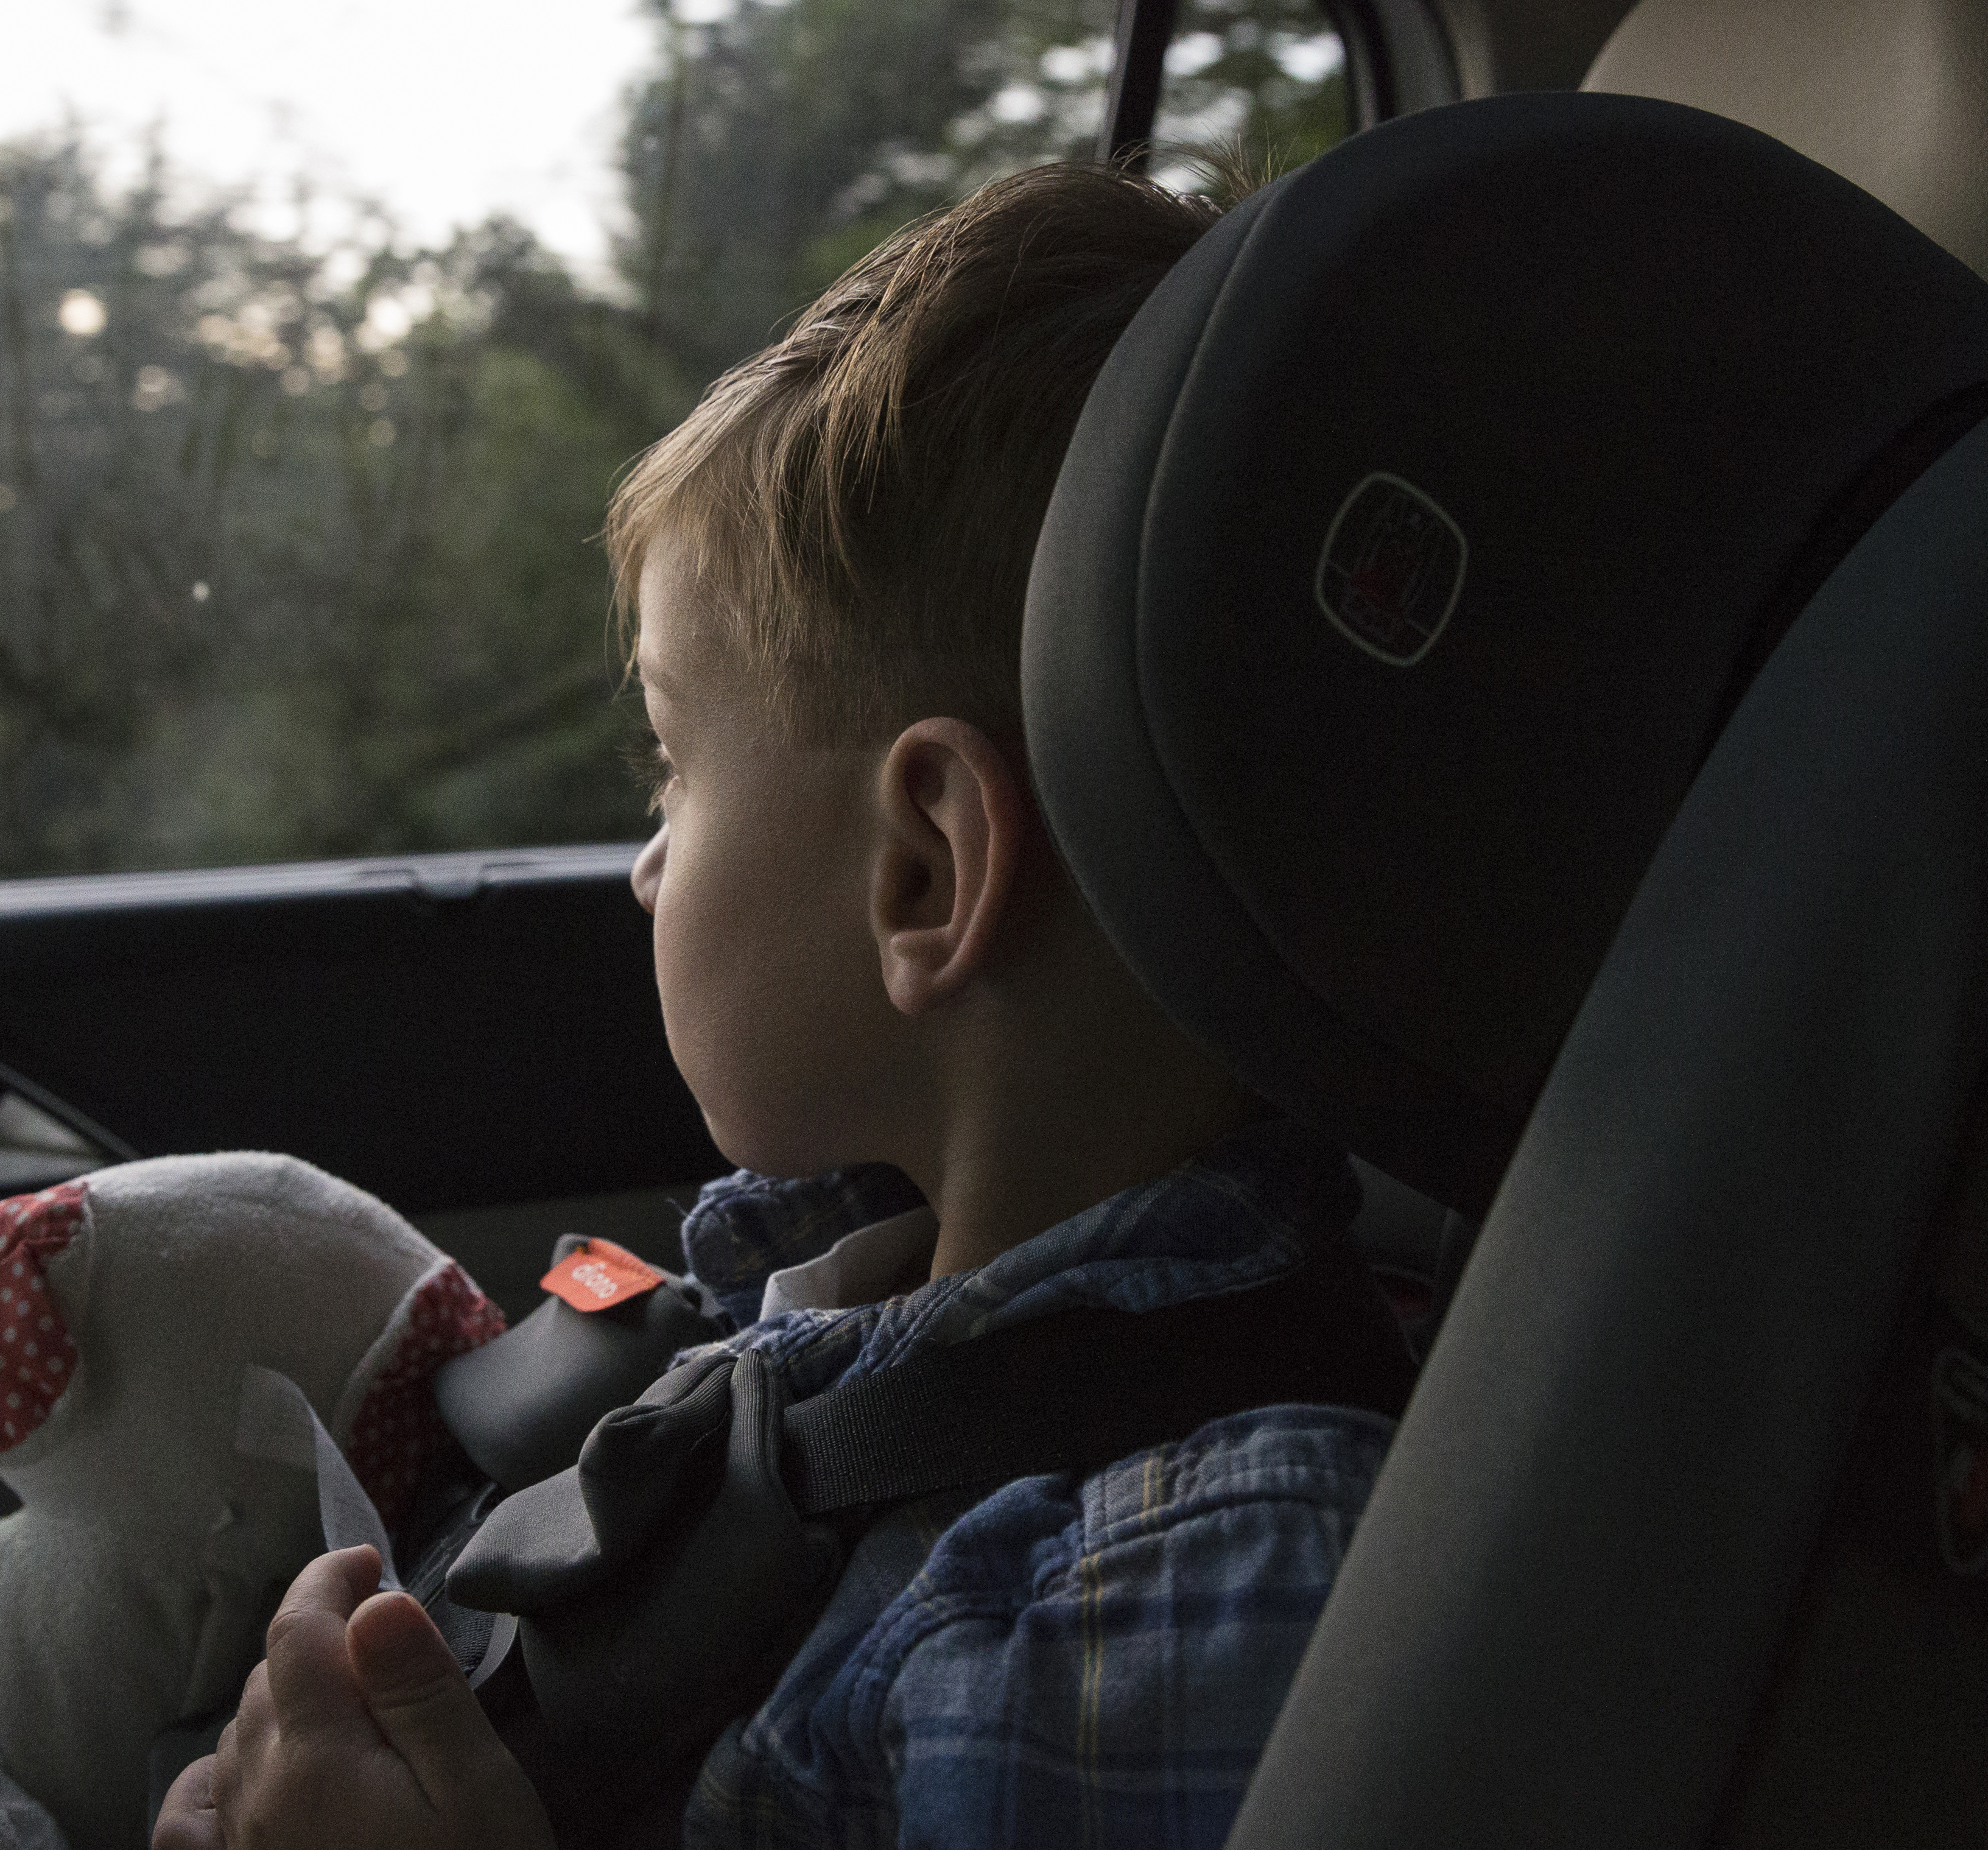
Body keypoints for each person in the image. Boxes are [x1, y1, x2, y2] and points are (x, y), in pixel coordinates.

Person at [155, 158, 1399, 1850]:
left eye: (675, 768)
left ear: (921, 873)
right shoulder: (809, 1330)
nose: (644, 866)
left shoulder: (1164, 1595)